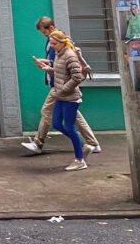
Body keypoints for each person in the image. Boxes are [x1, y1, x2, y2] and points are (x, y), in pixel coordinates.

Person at [21, 16, 100, 155]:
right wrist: (46, 64)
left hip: (60, 86)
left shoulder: (61, 42)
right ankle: (93, 143)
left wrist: (61, 86)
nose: (49, 41)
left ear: (50, 28)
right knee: (74, 115)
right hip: (60, 84)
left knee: (47, 111)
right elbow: (56, 62)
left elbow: (69, 68)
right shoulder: (54, 41)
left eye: (44, 32)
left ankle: (38, 143)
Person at [43, 29, 90, 170]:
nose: (52, 46)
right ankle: (83, 146)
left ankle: (80, 160)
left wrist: (63, 89)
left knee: (69, 126)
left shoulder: (70, 55)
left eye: (54, 43)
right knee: (57, 124)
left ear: (62, 43)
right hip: (61, 96)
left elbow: (78, 77)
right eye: (50, 43)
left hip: (70, 98)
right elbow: (59, 72)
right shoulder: (59, 54)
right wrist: (48, 69)